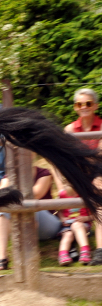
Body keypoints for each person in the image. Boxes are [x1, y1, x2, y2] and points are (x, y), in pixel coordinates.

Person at [0, 166, 62, 270]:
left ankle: (25, 260)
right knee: (1, 211)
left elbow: (36, 194)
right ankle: (2, 259)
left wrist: (9, 193)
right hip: (24, 220)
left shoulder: (43, 173)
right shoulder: (9, 176)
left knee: (29, 207)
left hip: (48, 224)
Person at [63, 88, 102, 265]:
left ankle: (99, 250)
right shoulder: (70, 129)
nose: (83, 107)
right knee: (71, 190)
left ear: (95, 106)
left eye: (87, 103)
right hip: (79, 172)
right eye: (80, 104)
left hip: (97, 170)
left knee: (98, 189)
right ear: (75, 107)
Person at [56, 185, 92, 266]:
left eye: (76, 193)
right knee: (68, 234)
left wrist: (85, 218)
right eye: (72, 194)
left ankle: (85, 251)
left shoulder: (86, 195)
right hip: (68, 224)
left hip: (82, 224)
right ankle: (62, 254)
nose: (74, 195)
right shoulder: (63, 194)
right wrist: (62, 218)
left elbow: (94, 215)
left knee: (77, 225)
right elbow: (59, 210)